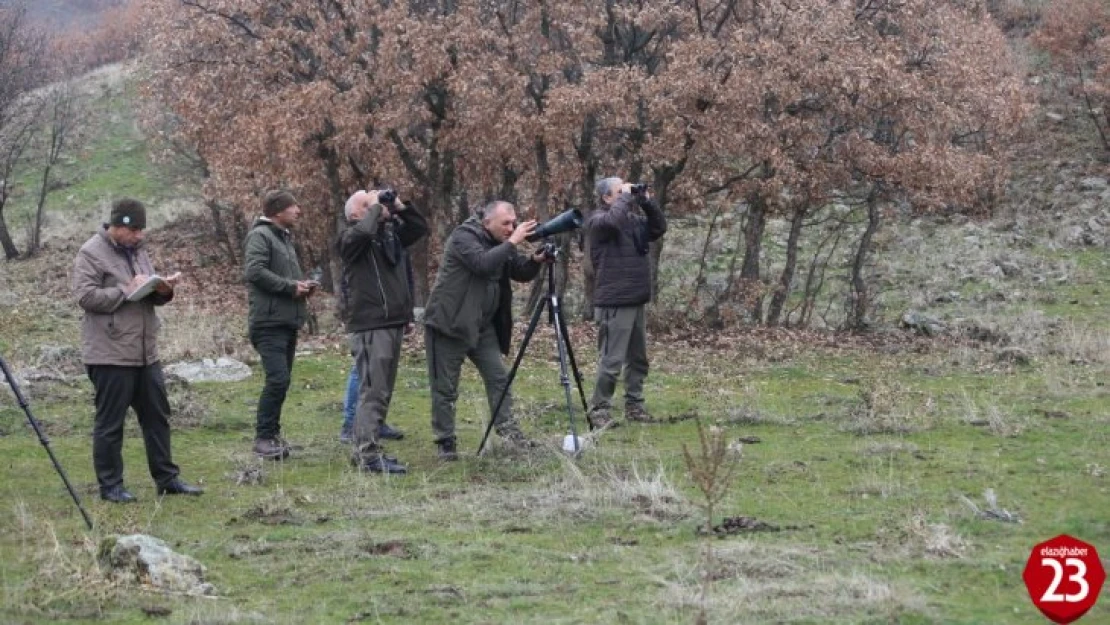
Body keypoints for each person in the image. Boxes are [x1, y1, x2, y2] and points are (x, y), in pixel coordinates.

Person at [72, 198, 203, 503]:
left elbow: (145, 293)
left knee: (157, 417)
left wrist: (162, 290)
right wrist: (125, 290)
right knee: (110, 423)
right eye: (134, 230)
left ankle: (167, 479)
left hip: (146, 352)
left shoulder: (138, 251)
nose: (140, 236)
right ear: (117, 226)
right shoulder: (90, 252)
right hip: (109, 353)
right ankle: (111, 486)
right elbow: (85, 297)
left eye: (142, 230)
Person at [423, 201, 549, 460]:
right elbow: (482, 264)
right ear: (486, 222)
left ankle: (509, 432)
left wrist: (536, 260)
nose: (511, 228)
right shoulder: (463, 237)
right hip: (450, 324)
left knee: (499, 378)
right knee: (446, 388)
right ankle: (445, 441)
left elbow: (518, 272)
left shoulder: (501, 241)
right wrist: (512, 241)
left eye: (513, 223)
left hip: (483, 327)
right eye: (505, 223)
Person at [337, 189, 428, 474]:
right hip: (371, 324)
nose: (379, 206)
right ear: (355, 214)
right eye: (369, 204)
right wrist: (375, 208)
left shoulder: (387, 236)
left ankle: (370, 449)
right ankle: (366, 455)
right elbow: (361, 234)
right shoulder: (350, 238)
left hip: (390, 323)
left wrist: (399, 206)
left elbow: (418, 228)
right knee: (372, 391)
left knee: (382, 391)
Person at [585, 177, 668, 428]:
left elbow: (658, 228)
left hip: (635, 298)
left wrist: (646, 201)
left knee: (638, 358)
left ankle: (635, 404)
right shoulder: (597, 221)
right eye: (618, 192)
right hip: (614, 301)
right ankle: (599, 409)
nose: (625, 194)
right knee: (612, 360)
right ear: (606, 198)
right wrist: (626, 196)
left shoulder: (632, 221)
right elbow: (612, 222)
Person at [244, 189, 317, 460]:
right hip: (268, 323)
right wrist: (290, 287)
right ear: (277, 211)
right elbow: (254, 271)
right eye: (293, 206)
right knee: (278, 379)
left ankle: (272, 436)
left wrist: (302, 287)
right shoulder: (260, 236)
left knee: (281, 382)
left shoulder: (283, 238)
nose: (298, 210)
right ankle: (263, 438)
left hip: (286, 321)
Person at [339, 249, 414, 444]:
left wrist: (407, 314)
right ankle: (350, 425)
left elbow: (404, 278)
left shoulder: (392, 237)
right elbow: (349, 283)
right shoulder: (360, 239)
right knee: (363, 373)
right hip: (367, 319)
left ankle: (375, 423)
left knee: (379, 377)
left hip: (391, 316)